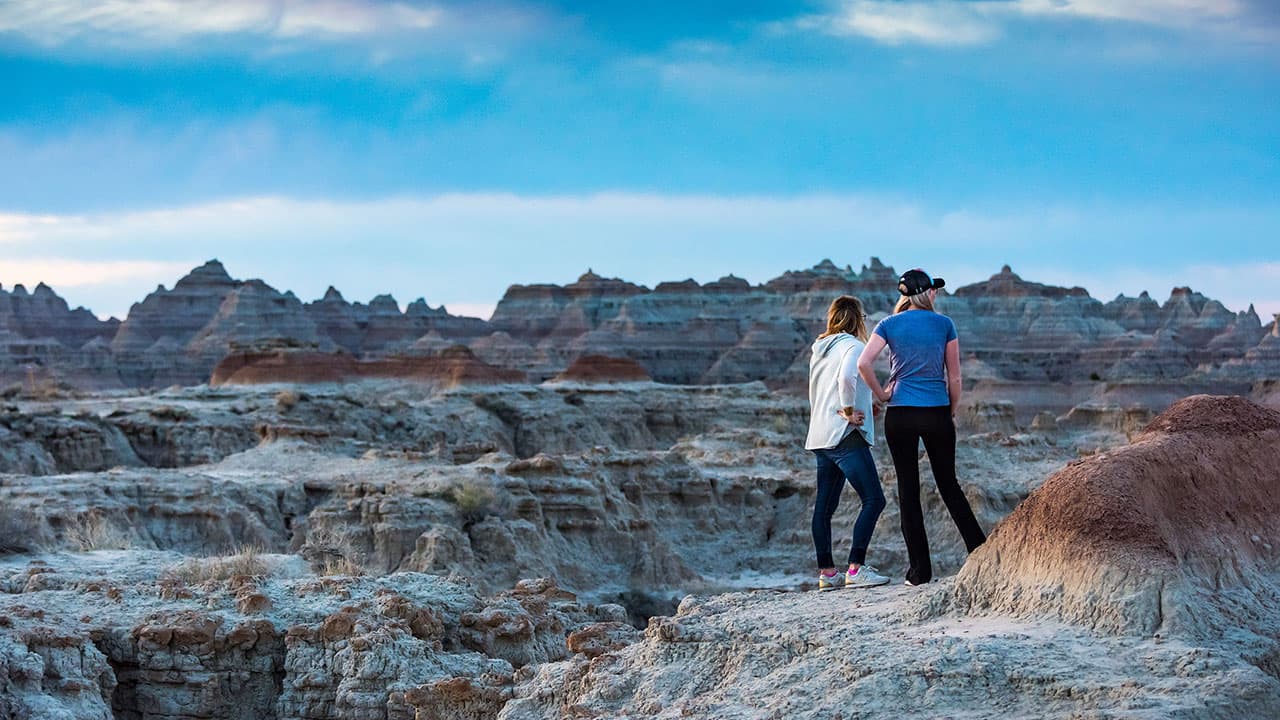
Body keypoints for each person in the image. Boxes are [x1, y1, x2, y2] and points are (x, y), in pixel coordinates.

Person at [857, 269, 986, 586]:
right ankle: (980, 554)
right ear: (926, 293)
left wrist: (882, 394)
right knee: (949, 485)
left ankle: (919, 572)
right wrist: (951, 410)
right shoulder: (945, 324)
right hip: (936, 412)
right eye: (934, 290)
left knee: (908, 490)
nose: (936, 294)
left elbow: (863, 363)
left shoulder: (888, 325)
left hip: (900, 414)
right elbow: (954, 377)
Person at [804, 295, 890, 590]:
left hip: (820, 435)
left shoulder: (820, 350)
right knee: (874, 499)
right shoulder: (854, 346)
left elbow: (827, 389)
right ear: (856, 319)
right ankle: (855, 568)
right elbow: (846, 381)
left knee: (824, 509)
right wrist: (851, 413)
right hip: (844, 436)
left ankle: (828, 574)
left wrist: (865, 404)